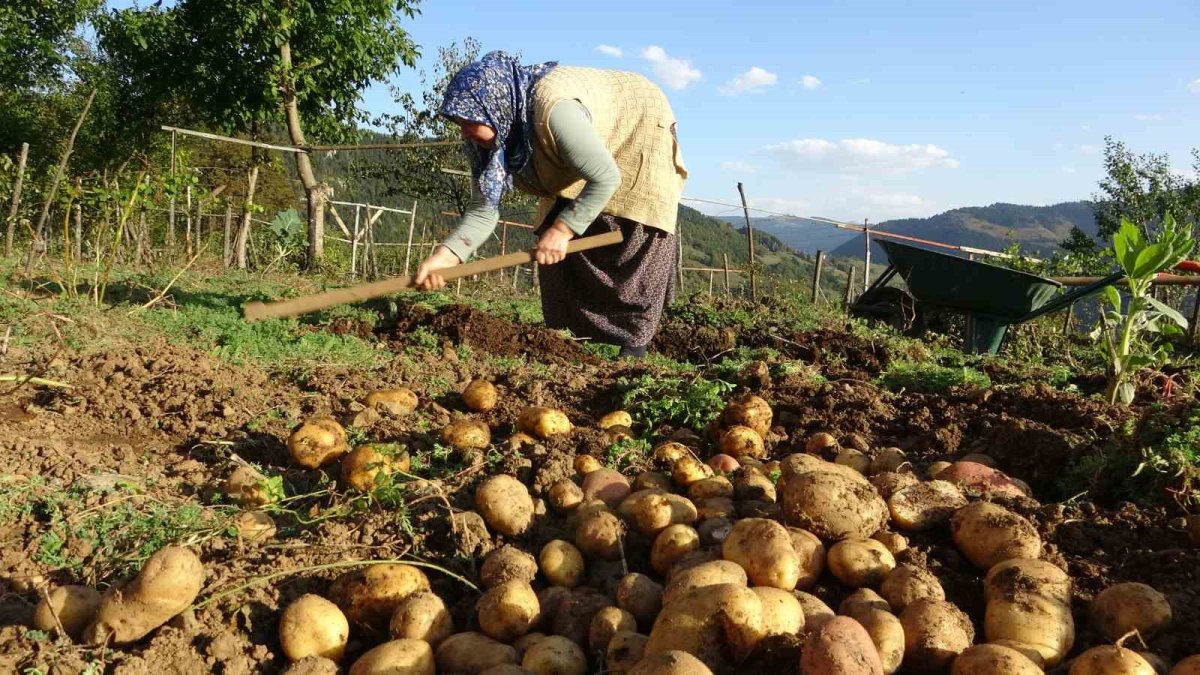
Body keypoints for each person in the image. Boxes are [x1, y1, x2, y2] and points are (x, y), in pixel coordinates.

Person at [413, 51, 688, 358]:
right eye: (457, 121)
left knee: (633, 237)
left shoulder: (555, 112)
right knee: (555, 247)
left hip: (640, 124)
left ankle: (633, 353)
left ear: (495, 108)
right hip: (583, 149)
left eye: (468, 121)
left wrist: (564, 228)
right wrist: (446, 256)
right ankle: (567, 348)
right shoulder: (484, 137)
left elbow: (606, 178)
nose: (462, 130)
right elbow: (483, 209)